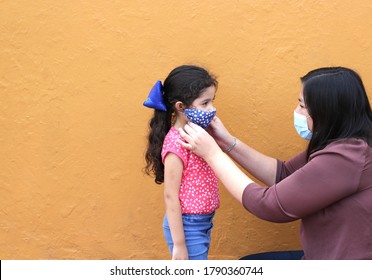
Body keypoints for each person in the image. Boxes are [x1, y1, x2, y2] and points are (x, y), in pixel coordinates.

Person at [178, 66, 372, 260]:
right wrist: (228, 142)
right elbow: (284, 174)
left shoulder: (346, 158)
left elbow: (269, 205)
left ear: (326, 112)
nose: (296, 111)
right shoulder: (344, 142)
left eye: (302, 106)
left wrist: (212, 154)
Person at [143, 65, 220, 260]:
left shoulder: (198, 135)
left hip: (203, 222)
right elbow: (170, 196)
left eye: (212, 101)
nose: (212, 109)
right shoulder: (176, 144)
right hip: (187, 226)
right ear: (180, 107)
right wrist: (179, 244)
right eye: (205, 103)